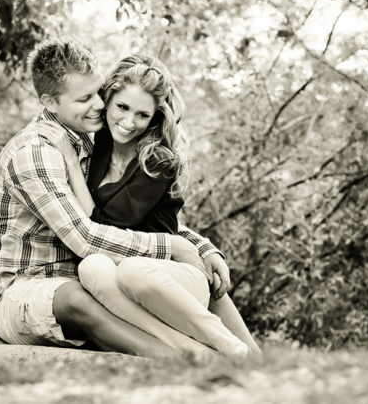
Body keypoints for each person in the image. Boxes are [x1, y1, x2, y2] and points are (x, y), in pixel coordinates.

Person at [0, 36, 228, 359]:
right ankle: (186, 360)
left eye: (98, 92)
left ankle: (246, 357)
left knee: (146, 283)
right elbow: (86, 238)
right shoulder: (35, 153)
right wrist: (173, 247)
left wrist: (199, 247)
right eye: (84, 99)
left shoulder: (91, 144)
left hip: (82, 276)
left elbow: (136, 220)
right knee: (79, 297)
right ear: (51, 102)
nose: (98, 104)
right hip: (17, 292)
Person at [36, 55, 261, 357]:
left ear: (155, 117)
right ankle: (192, 352)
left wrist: (71, 166)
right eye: (122, 108)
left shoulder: (158, 161)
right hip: (124, 273)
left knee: (132, 269)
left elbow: (105, 224)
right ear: (108, 100)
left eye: (142, 115)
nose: (128, 123)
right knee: (91, 267)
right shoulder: (99, 143)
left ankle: (232, 348)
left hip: (172, 276)